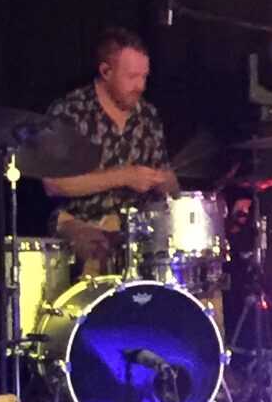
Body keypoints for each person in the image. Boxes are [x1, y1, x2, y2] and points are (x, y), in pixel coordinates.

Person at [39, 28, 176, 274]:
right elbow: (53, 184)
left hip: (137, 228)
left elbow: (169, 183)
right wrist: (125, 176)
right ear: (105, 72)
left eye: (144, 77)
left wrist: (166, 182)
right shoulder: (72, 112)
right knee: (97, 250)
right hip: (80, 221)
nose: (140, 86)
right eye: (132, 77)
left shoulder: (148, 116)